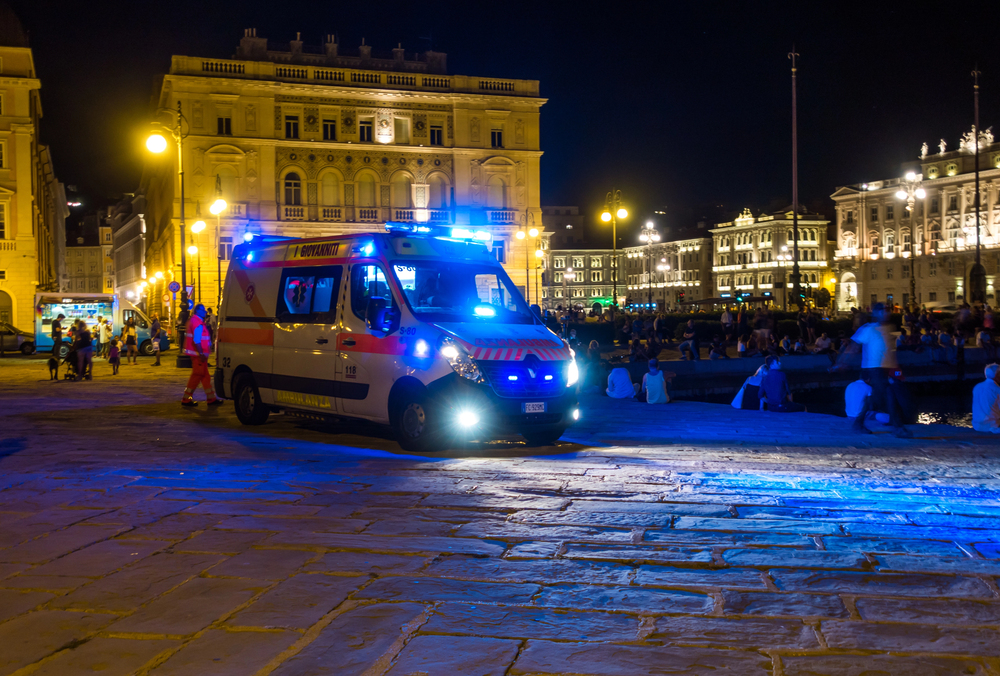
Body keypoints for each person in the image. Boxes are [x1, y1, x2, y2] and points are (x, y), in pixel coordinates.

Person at [834, 302, 911, 438]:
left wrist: (895, 369)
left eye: (887, 311)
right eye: (883, 311)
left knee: (879, 396)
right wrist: (841, 362)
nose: (886, 313)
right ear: (876, 313)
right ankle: (897, 426)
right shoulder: (868, 329)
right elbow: (853, 347)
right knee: (888, 394)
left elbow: (890, 349)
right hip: (873, 368)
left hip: (886, 368)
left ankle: (860, 423)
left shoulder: (890, 328)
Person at [181, 304, 222, 407]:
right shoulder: (197, 322)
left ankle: (211, 398)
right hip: (198, 355)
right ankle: (186, 399)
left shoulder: (195, 321)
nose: (205, 312)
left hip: (198, 354)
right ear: (198, 311)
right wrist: (201, 353)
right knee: (197, 375)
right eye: (203, 310)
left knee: (205, 376)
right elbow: (197, 340)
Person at [972, 363, 1000, 433]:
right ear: (997, 375)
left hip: (977, 426)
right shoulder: (997, 389)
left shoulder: (977, 387)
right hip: (992, 426)